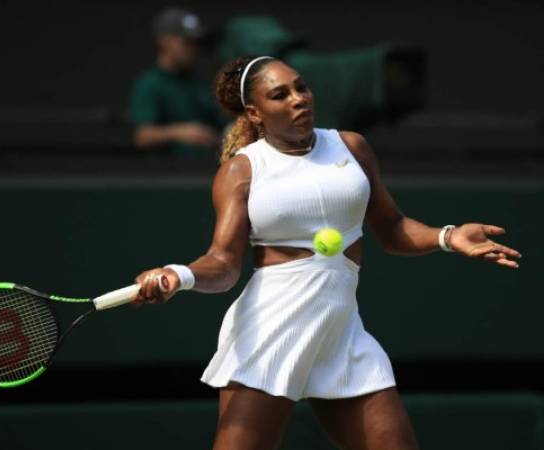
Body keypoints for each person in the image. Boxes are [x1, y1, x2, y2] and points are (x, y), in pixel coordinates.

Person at [132, 56, 522, 450]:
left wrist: (448, 236)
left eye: (301, 87)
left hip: (340, 331)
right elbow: (223, 263)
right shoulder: (241, 171)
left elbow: (393, 229)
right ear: (255, 112)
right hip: (271, 330)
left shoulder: (351, 146)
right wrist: (179, 276)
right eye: (280, 95)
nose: (299, 99)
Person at [129, 7, 227, 158]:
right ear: (165, 41)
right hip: (168, 172)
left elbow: (219, 124)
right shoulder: (151, 83)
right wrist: (180, 132)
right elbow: (142, 137)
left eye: (196, 43)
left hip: (207, 167)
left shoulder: (199, 83)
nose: (193, 49)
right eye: (186, 42)